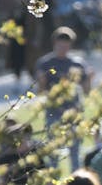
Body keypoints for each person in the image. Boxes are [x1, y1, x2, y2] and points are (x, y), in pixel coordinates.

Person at [34, 26, 92, 170]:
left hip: (74, 113)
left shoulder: (77, 64)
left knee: (75, 152)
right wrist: (41, 82)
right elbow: (40, 91)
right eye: (60, 45)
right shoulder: (45, 63)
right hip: (54, 112)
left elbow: (86, 91)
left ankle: (76, 183)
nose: (63, 48)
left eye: (66, 45)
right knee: (53, 151)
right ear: (54, 43)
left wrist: (89, 79)